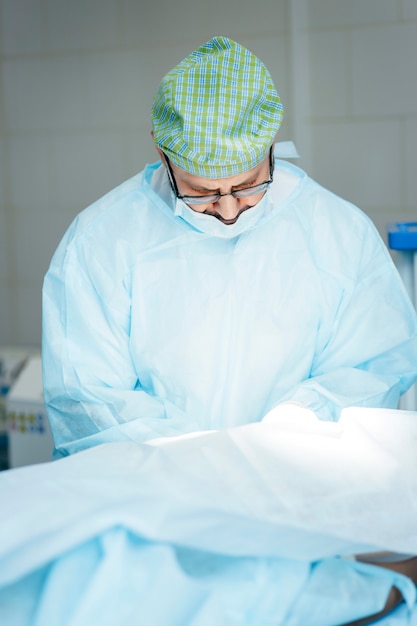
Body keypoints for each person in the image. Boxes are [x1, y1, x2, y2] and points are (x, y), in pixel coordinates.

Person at [42, 36, 417, 623]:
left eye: (246, 185)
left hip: (303, 517)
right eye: (199, 193)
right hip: (160, 527)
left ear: (270, 146)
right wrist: (198, 466)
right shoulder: (101, 241)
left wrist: (294, 432)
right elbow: (87, 400)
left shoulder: (336, 232)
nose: (227, 210)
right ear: (161, 152)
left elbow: (374, 366)